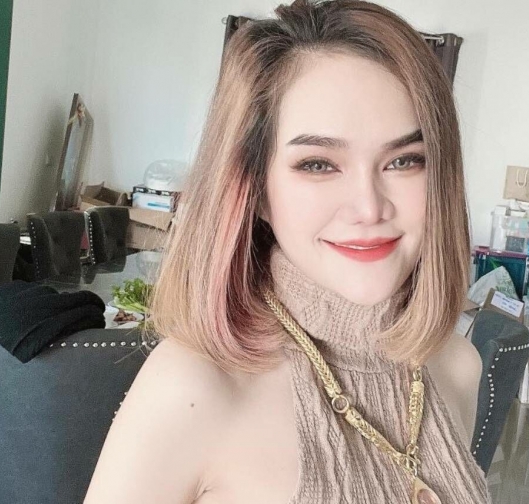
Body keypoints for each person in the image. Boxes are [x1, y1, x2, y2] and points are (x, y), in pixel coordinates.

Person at [85, 1, 490, 502]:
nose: (369, 207)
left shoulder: (457, 367)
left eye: (405, 160)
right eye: (318, 164)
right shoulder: (192, 388)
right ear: (255, 189)